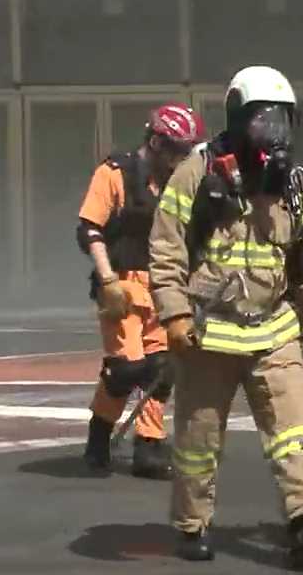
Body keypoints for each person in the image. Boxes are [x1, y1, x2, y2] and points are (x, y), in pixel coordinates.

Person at [148, 65, 303, 566]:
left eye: (282, 121)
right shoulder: (197, 171)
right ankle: (192, 524)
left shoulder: (292, 182)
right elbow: (166, 248)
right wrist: (174, 315)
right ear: (239, 119)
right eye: (264, 121)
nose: (274, 133)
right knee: (198, 439)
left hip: (274, 328)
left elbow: (301, 255)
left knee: (294, 432)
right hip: (210, 333)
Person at [77, 102, 205, 478]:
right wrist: (108, 281)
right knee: (127, 369)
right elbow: (89, 229)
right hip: (122, 286)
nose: (181, 161)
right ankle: (99, 434)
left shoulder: (177, 185)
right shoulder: (114, 173)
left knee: (162, 369)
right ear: (156, 143)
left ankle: (149, 446)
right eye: (177, 152)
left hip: (163, 285)